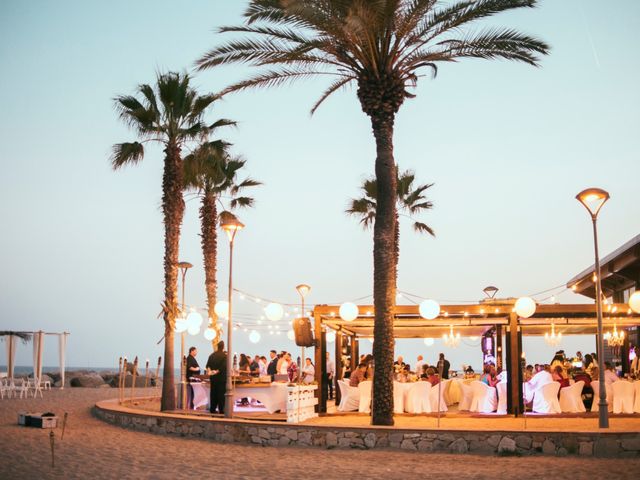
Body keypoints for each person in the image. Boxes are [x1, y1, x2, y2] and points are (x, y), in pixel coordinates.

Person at [206, 341, 227, 415]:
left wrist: (211, 372)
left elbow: (207, 366)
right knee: (221, 394)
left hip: (213, 378)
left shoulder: (212, 355)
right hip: (221, 378)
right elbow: (224, 367)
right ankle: (221, 410)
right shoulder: (224, 356)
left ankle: (212, 409)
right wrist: (217, 371)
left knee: (213, 393)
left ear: (217, 346)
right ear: (223, 347)